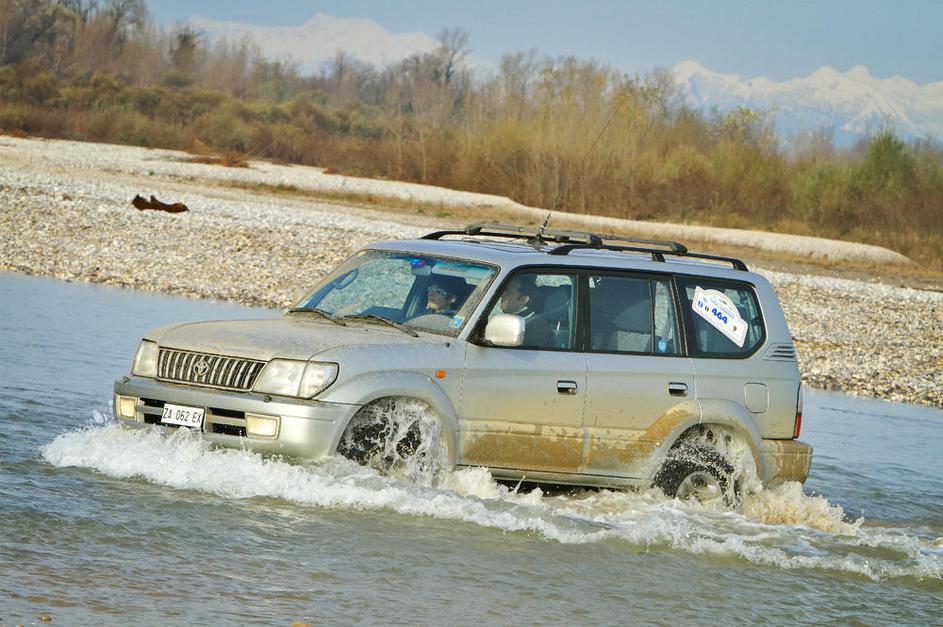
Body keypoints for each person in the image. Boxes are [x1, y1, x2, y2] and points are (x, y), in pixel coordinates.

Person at [498, 274, 551, 348]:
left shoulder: (538, 327)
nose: (502, 294)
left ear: (524, 299)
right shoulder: (516, 320)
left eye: (508, 292)